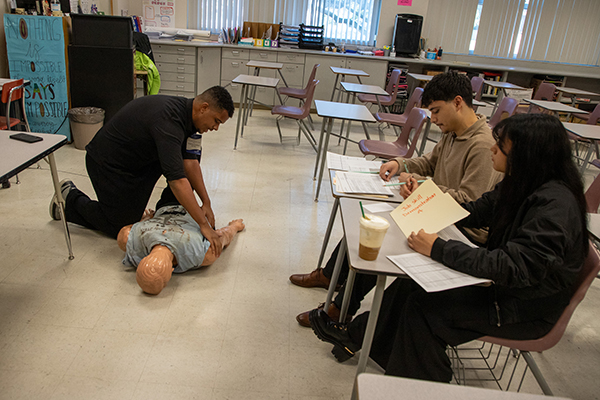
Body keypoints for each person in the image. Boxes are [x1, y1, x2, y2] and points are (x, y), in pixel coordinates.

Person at [309, 113, 588, 381]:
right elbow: (474, 211)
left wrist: (438, 248)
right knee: (411, 284)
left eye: (501, 147)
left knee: (425, 309)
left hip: (524, 308)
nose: (493, 150)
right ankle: (359, 338)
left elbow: (512, 266)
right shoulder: (522, 183)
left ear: (527, 156)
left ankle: (422, 383)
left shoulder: (555, 207)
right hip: (505, 287)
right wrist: (423, 206)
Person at [290, 72, 503, 327]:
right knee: (370, 222)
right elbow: (427, 162)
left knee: (381, 235)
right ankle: (330, 277)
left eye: (436, 111)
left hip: (462, 229)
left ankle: (342, 308)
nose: (432, 119)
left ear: (458, 102)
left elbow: (471, 203)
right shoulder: (453, 131)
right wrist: (398, 162)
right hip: (435, 211)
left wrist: (421, 187)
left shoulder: (481, 145)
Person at [49, 87, 234, 260]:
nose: (216, 127)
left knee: (182, 167)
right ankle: (69, 199)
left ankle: (167, 209)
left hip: (138, 163)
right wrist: (203, 225)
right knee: (120, 225)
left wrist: (206, 202)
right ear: (204, 107)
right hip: (107, 164)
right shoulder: (169, 122)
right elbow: (177, 180)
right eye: (216, 121)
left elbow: (191, 163)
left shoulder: (192, 124)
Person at [117, 187, 245, 295]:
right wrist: (145, 220)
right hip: (184, 206)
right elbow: (220, 237)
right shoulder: (131, 240)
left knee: (182, 172)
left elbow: (222, 236)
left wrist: (234, 227)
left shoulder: (203, 255)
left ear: (171, 270)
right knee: (185, 170)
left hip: (188, 209)